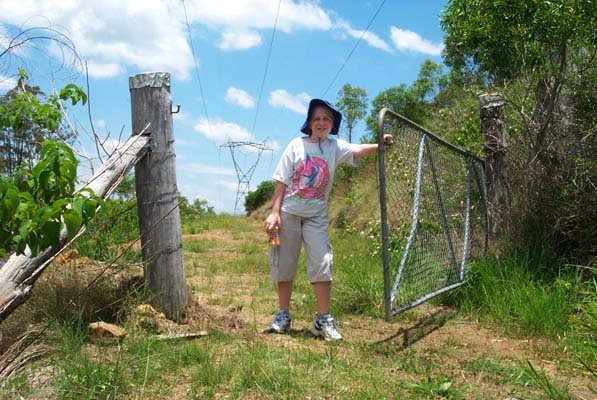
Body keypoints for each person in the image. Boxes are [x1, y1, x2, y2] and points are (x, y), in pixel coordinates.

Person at [264, 98, 393, 341]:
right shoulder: (296, 146)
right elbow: (281, 179)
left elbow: (357, 150)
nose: (321, 122)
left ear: (332, 124)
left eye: (326, 119)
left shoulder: (335, 147)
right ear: (309, 123)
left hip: (316, 217)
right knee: (284, 264)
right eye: (317, 118)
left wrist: (380, 145)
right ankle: (283, 315)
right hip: (289, 214)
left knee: (323, 262)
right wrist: (274, 212)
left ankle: (323, 320)